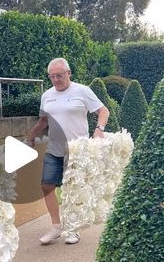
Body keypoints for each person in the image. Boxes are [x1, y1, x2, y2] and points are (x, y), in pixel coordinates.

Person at [26, 58, 109, 246]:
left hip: (77, 152)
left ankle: (73, 229)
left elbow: (103, 111)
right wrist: (31, 135)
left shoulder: (83, 91)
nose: (56, 80)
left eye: (59, 76)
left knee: (73, 190)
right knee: (46, 186)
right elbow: (43, 120)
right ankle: (56, 226)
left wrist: (99, 129)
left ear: (69, 73)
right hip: (54, 150)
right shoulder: (47, 95)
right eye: (52, 77)